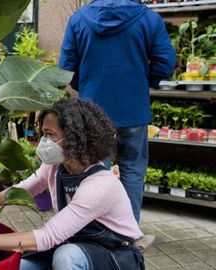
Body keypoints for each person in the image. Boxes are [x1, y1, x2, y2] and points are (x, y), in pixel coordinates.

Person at [0, 99, 145, 270]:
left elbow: (47, 236)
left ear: (74, 138)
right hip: (73, 243)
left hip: (115, 253)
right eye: (43, 133)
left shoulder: (100, 186)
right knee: (19, 266)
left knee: (66, 256)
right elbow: (25, 189)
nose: (44, 141)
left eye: (50, 135)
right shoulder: (56, 167)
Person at [58, 0, 176, 222]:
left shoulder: (79, 19)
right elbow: (165, 61)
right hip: (133, 110)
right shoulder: (148, 19)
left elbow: (65, 67)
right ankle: (127, 233)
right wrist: (142, 81)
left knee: (94, 174)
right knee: (132, 171)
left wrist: (84, 86)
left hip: (92, 113)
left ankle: (98, 232)